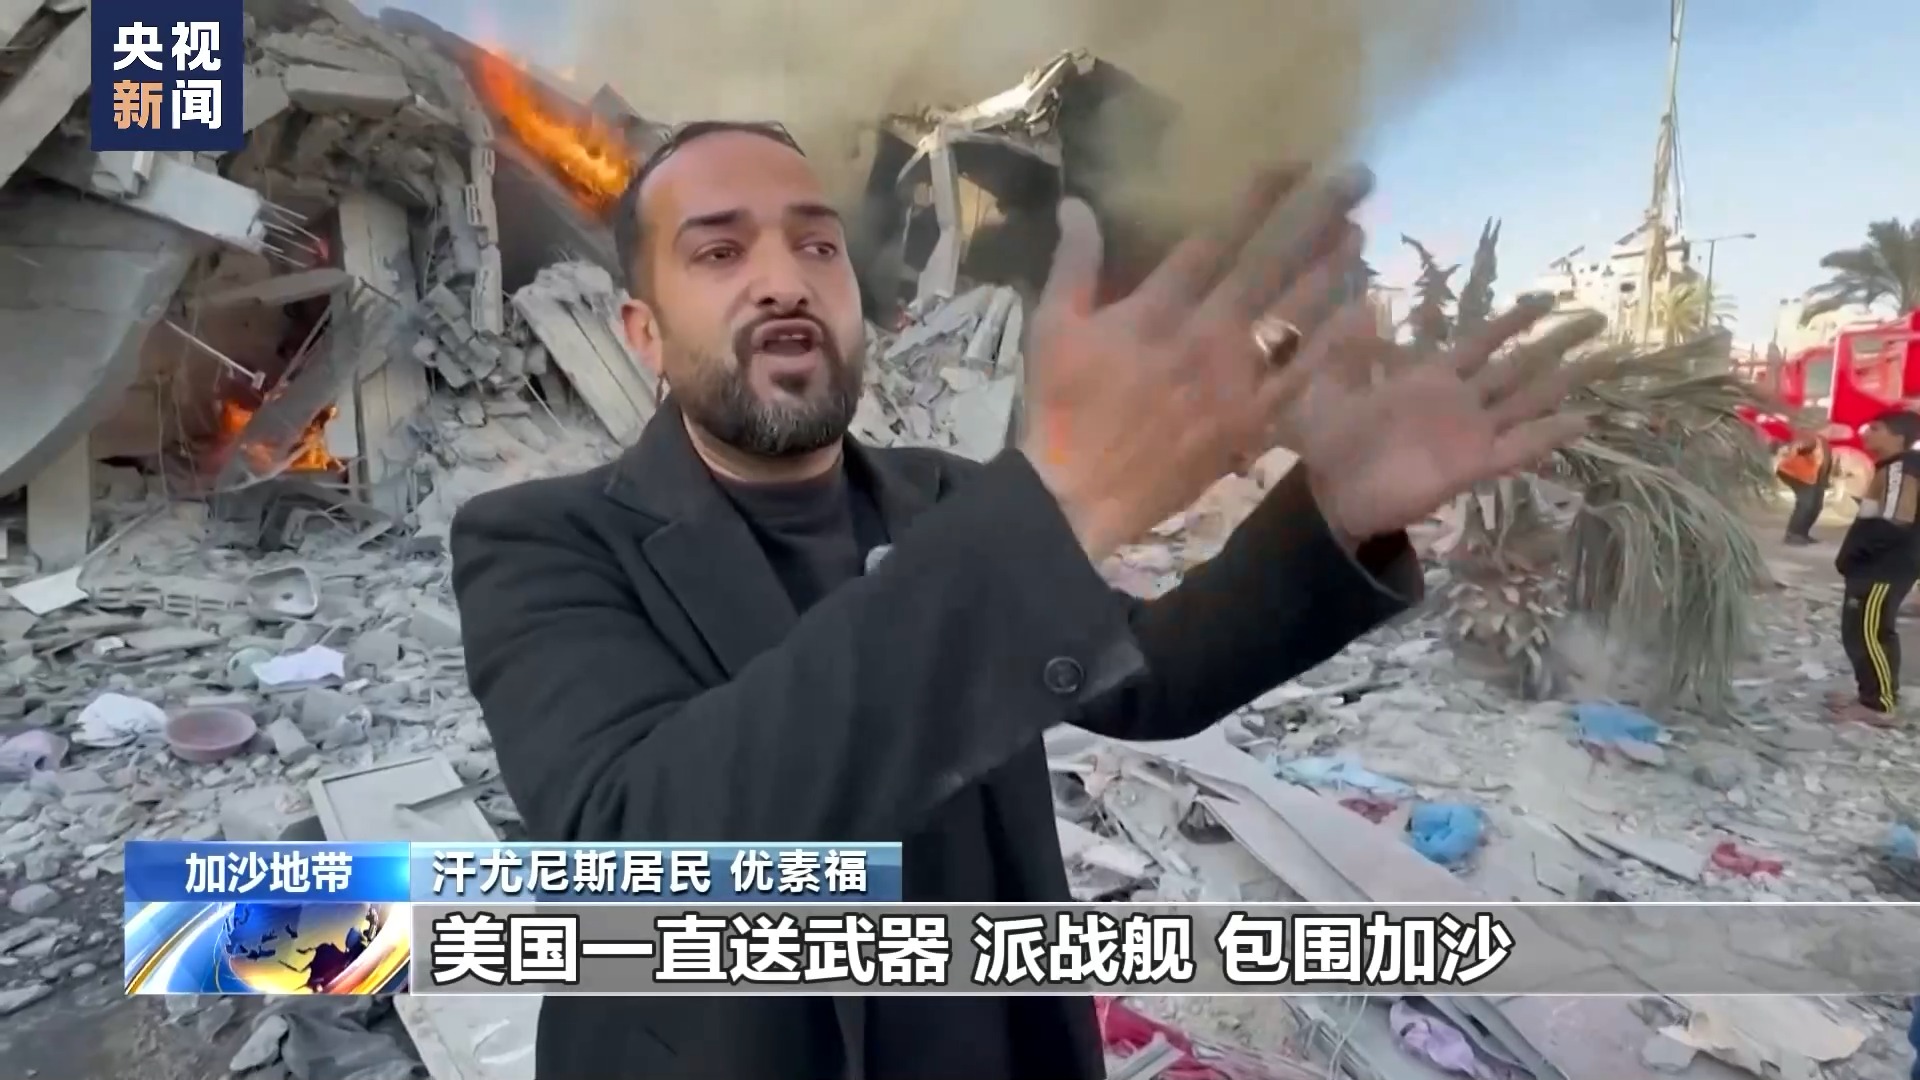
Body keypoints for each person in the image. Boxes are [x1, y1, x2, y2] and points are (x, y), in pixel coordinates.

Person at [448, 121, 1604, 1080]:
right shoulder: (543, 541)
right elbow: (641, 859)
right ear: (643, 334)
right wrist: (1056, 506)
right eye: (718, 251)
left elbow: (1149, 679)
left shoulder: (945, 498)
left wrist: (1336, 509)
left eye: (818, 244)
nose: (784, 278)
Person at [1833, 408, 1920, 726]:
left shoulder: (1900, 468)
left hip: (1883, 569)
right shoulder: (1890, 468)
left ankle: (1879, 705)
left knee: (1871, 635)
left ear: (1898, 437)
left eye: (1876, 428)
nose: (1866, 434)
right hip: (1877, 567)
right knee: (1861, 632)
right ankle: (1870, 693)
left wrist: (1857, 554)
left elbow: (1896, 521)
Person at [1777, 426, 1832, 545]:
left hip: (1813, 478)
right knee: (1806, 504)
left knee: (1816, 506)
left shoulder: (1825, 443)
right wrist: (1798, 447)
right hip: (1797, 475)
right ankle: (1793, 535)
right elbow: (1802, 445)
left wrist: (1824, 480)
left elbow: (1824, 463)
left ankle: (1802, 533)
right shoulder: (1813, 438)